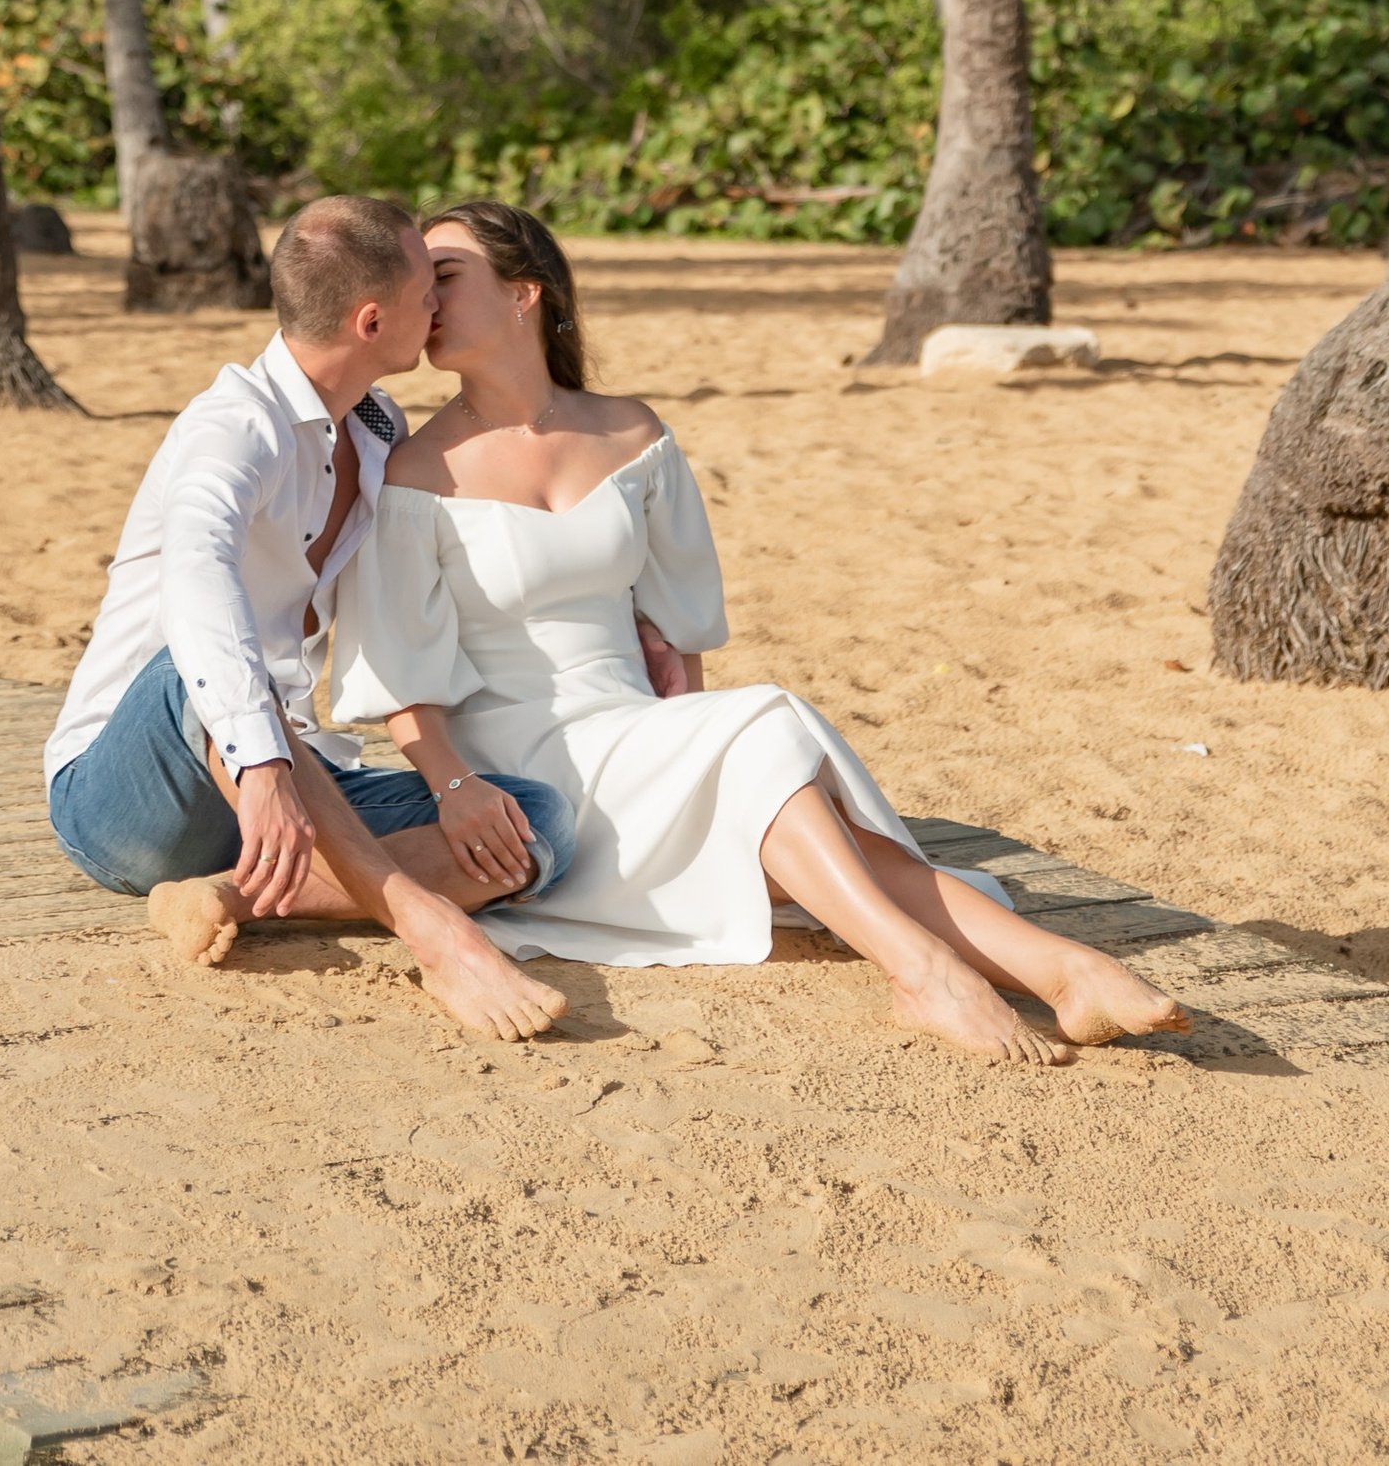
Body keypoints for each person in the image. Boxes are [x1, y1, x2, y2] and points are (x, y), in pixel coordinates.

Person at [330, 201, 1191, 1065]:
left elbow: (682, 628)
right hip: (522, 765)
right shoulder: (418, 469)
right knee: (768, 734)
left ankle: (1069, 972)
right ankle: (920, 969)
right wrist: (454, 787)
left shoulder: (633, 431)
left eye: (445, 276)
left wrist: (692, 765)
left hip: (639, 734)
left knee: (791, 798)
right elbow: (404, 676)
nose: (425, 299)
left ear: (526, 292)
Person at [44, 192, 574, 1042]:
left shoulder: (374, 426)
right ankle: (432, 933)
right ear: (372, 320)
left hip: (286, 782)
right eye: (425, 289)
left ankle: (233, 896)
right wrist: (260, 764)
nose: (437, 304)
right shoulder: (232, 427)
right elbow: (196, 571)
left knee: (531, 822)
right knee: (213, 664)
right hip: (130, 793)